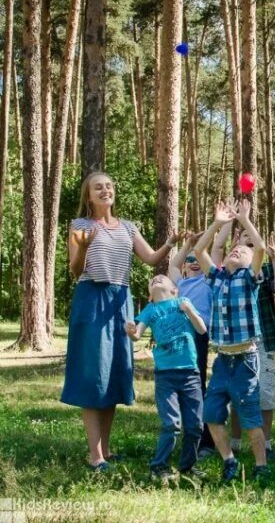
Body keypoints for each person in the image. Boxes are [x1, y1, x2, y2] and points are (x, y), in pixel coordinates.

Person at [61, 171, 179, 471]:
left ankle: (107, 450)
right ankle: (94, 454)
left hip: (121, 300)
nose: (105, 191)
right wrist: (85, 247)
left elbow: (151, 259)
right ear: (88, 196)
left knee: (114, 372)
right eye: (98, 188)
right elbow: (75, 271)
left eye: (109, 186)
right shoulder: (80, 226)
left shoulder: (128, 227)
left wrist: (170, 243)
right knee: (93, 374)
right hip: (92, 299)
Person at [193, 200, 269, 483]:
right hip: (222, 361)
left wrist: (246, 219)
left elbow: (259, 248)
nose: (237, 250)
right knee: (211, 415)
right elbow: (199, 250)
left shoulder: (249, 279)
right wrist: (218, 223)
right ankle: (229, 460)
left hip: (246, 361)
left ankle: (261, 466)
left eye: (242, 251)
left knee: (250, 420)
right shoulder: (217, 279)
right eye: (234, 249)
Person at [213, 222, 275, 461]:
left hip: (262, 336)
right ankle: (235, 441)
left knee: (263, 393)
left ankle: (266, 443)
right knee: (237, 392)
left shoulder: (260, 266)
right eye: (243, 239)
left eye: (252, 241)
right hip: (235, 340)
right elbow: (215, 253)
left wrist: (274, 260)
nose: (248, 243)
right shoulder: (228, 271)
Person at [125, 275, 207, 481]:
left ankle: (188, 467)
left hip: (190, 374)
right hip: (165, 376)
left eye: (162, 278)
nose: (156, 279)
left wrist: (188, 310)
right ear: (150, 296)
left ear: (174, 290)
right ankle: (158, 466)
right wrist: (131, 331)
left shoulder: (183, 303)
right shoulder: (151, 310)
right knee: (171, 423)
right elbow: (137, 334)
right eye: (151, 280)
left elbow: (202, 329)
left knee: (196, 425)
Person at [168, 231, 228, 460]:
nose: (194, 263)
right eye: (189, 260)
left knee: (197, 386)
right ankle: (189, 435)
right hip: (179, 339)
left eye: (197, 260)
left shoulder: (209, 281)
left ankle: (206, 441)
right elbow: (174, 263)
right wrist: (188, 245)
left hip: (199, 336)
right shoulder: (179, 284)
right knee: (183, 386)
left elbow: (216, 250)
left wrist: (217, 228)